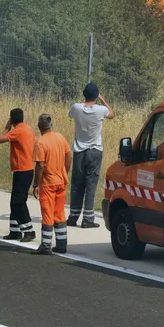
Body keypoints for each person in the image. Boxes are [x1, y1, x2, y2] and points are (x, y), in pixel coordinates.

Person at [67, 81, 114, 228]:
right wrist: (103, 99)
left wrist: (85, 101)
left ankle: (73, 216)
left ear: (84, 94)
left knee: (77, 184)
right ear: (96, 96)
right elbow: (112, 114)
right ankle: (88, 219)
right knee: (91, 185)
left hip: (79, 151)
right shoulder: (101, 110)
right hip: (95, 151)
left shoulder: (76, 107)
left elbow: (71, 113)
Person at [32, 113, 72, 255]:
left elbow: (40, 166)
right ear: (51, 124)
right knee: (59, 213)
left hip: (48, 183)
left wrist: (36, 184)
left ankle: (46, 244)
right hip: (61, 181)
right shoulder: (60, 137)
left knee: (47, 213)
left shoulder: (40, 142)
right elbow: (69, 156)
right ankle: (62, 244)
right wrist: (64, 172)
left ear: (39, 126)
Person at [0, 108, 36, 242]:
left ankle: (29, 230)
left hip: (22, 170)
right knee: (14, 200)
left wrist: (7, 128)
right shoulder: (28, 129)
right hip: (26, 169)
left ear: (12, 120)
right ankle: (15, 230)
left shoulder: (17, 131)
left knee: (18, 202)